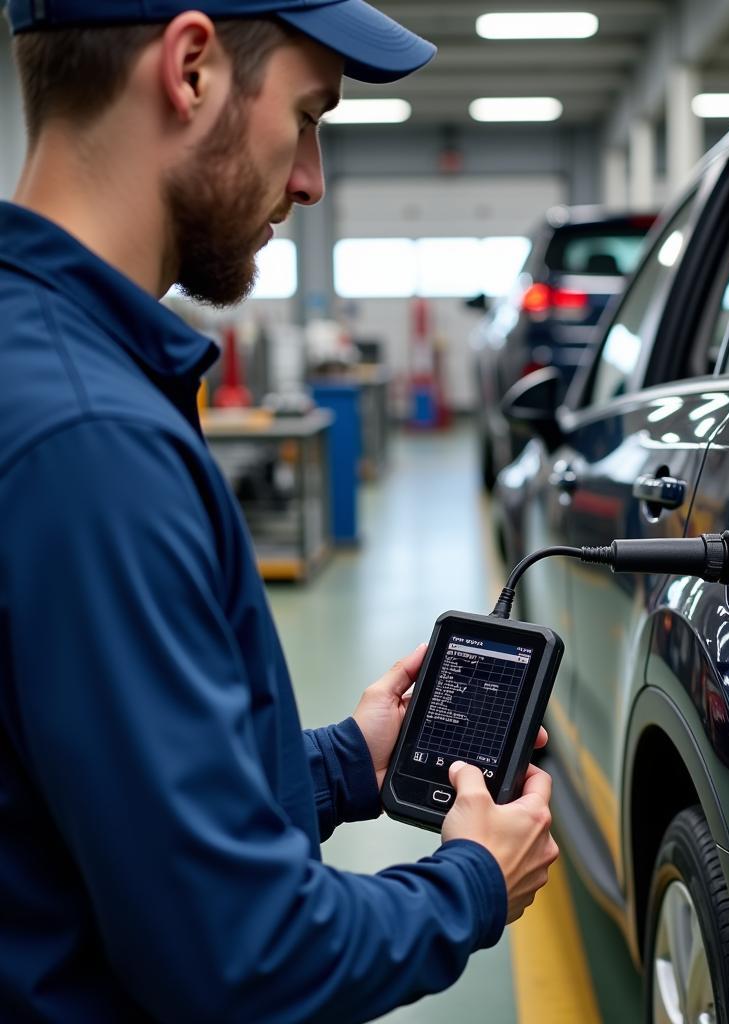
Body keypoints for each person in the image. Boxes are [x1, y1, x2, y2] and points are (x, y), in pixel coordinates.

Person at [0, 2, 559, 1021]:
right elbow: (241, 960)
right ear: (192, 68)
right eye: (306, 117)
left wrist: (351, 758)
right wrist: (473, 881)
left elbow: (114, 807)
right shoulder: (92, 442)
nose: (310, 178)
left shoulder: (43, 364)